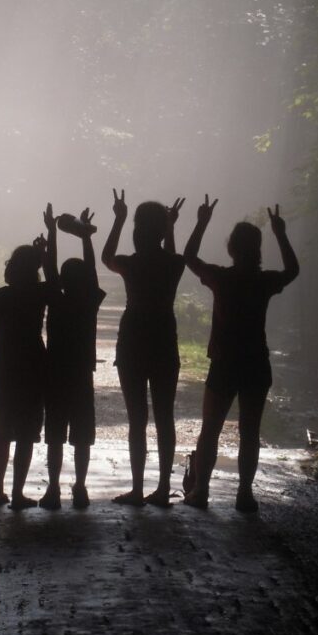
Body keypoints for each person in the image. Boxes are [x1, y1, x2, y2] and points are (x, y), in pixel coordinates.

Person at [181, 198, 299, 512]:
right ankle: (244, 493)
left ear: (231, 248)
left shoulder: (222, 278)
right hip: (256, 363)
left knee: (210, 430)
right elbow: (292, 270)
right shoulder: (263, 282)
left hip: (224, 362)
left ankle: (201, 491)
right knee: (250, 432)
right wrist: (281, 233)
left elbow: (189, 258)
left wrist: (202, 222)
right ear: (258, 249)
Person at [102, 190, 186, 507]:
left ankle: (137, 489)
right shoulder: (174, 263)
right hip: (164, 339)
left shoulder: (130, 264)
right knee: (165, 417)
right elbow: (173, 260)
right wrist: (172, 227)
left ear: (137, 230)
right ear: (162, 232)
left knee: (137, 419)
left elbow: (106, 257)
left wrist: (118, 218)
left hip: (133, 339)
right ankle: (163, 488)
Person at [0, 238, 52, 510]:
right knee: (28, 432)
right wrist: (43, 253)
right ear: (35, 270)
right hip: (33, 364)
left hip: (5, 366)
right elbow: (55, 281)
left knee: (3, 429)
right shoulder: (39, 293)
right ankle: (17, 493)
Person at [39, 204, 105, 510]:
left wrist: (52, 232)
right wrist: (85, 237)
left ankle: (53, 488)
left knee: (54, 435)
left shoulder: (56, 299)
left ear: (62, 282)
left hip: (53, 374)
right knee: (81, 436)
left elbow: (50, 270)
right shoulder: (89, 300)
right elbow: (90, 271)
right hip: (80, 375)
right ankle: (79, 486)